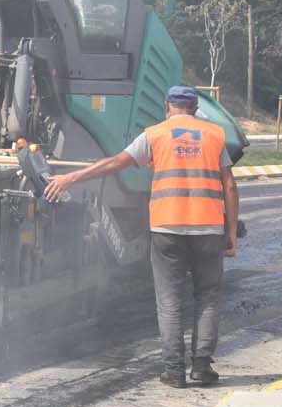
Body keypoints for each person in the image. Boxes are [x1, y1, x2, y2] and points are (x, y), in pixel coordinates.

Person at [45, 85, 239, 388]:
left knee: (170, 300)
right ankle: (201, 366)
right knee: (208, 298)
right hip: (208, 229)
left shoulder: (155, 135)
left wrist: (71, 178)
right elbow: (229, 185)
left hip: (167, 230)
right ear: (194, 108)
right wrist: (231, 232)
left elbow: (114, 164)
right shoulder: (214, 135)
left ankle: (173, 371)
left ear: (167, 107)